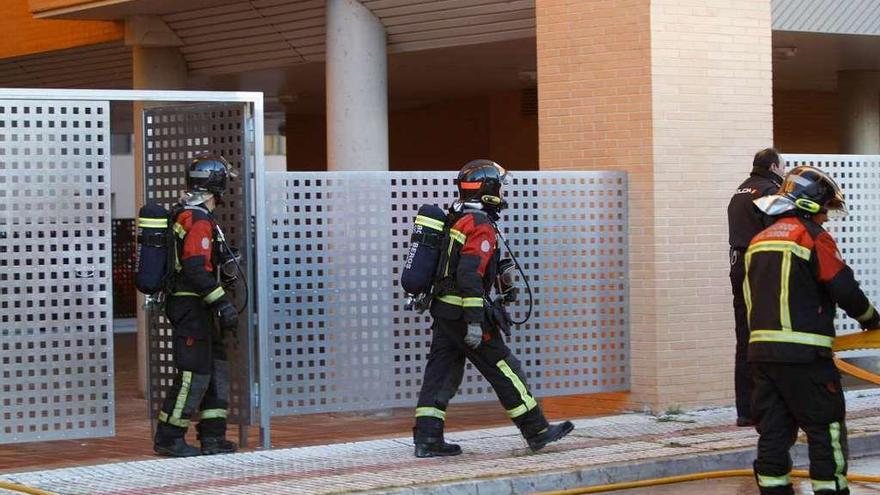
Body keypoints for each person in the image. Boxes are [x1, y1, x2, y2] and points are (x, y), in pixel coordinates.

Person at [412, 159, 574, 458]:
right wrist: (475, 321)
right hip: (463, 313)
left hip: (444, 312)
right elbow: (469, 274)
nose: (502, 191)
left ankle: (427, 439)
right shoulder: (480, 225)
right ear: (488, 190)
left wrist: (503, 283)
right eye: (499, 185)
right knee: (504, 368)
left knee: (441, 373)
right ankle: (537, 430)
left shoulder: (457, 218)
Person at [746, 166, 879, 495]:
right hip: (806, 357)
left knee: (774, 434)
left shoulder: (759, 241)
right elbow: (843, 288)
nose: (826, 218)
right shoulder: (810, 236)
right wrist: (872, 320)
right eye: (824, 210)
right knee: (826, 431)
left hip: (762, 356)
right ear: (809, 205)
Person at [153, 155, 241, 457]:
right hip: (192, 307)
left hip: (200, 308)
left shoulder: (192, 216)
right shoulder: (197, 220)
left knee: (215, 369)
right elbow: (194, 267)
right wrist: (223, 304)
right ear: (217, 185)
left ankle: (213, 436)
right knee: (194, 372)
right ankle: (169, 437)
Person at [727, 148, 785, 427]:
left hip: (737, 264)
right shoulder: (770, 192)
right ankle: (767, 407)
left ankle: (745, 410)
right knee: (766, 336)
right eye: (782, 167)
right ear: (774, 166)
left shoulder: (740, 190)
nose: (784, 172)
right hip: (758, 268)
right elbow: (775, 234)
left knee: (744, 338)